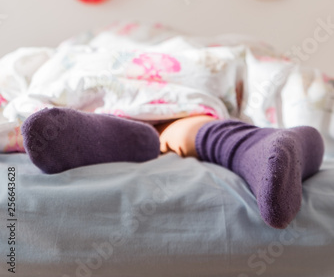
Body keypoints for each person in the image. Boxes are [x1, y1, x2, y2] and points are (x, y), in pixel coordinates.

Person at [21, 106, 324, 231]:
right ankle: (258, 146)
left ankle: (130, 139)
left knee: (160, 127)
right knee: (206, 131)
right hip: (184, 110)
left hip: (106, 102)